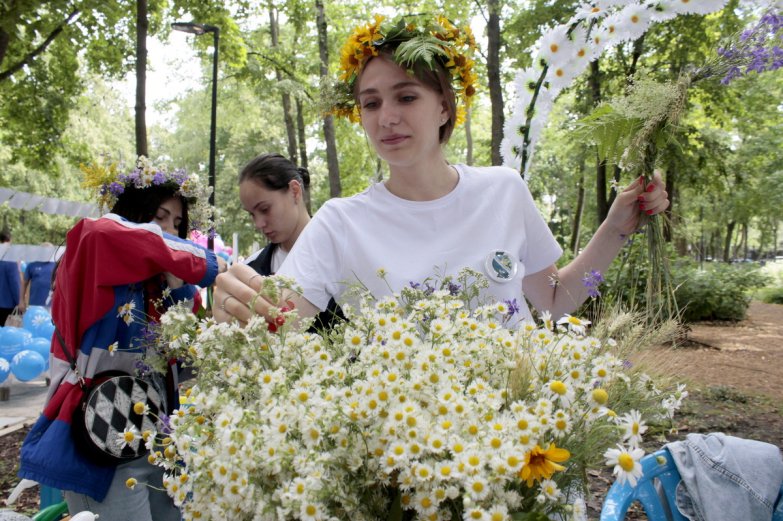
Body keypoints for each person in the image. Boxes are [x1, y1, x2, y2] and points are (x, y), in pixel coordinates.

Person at [213, 14, 669, 328]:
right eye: (371, 103)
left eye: (406, 96)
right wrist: (238, 304)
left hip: (519, 443)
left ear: (445, 108)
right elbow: (284, 320)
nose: (385, 116)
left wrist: (616, 227)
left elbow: (551, 302)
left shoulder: (504, 191)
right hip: (407, 453)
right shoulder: (339, 222)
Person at [19, 156, 226, 521]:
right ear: (133, 212)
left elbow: (186, 349)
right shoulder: (92, 249)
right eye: (160, 217)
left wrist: (178, 286)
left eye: (178, 224)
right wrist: (209, 264)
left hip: (159, 441)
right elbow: (105, 233)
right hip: (103, 441)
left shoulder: (165, 283)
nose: (170, 231)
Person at [238, 153, 343, 330]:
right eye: (251, 214)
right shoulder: (252, 270)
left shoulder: (343, 251)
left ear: (295, 191)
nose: (258, 224)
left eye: (264, 209)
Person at [20, 243, 56, 313]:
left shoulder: (57, 266)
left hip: (52, 305)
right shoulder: (32, 265)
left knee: (50, 324)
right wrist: (21, 301)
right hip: (34, 305)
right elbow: (24, 284)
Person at [0, 230, 21, 325]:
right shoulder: (10, 259)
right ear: (10, 241)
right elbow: (15, 283)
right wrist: (19, 301)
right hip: (6, 304)